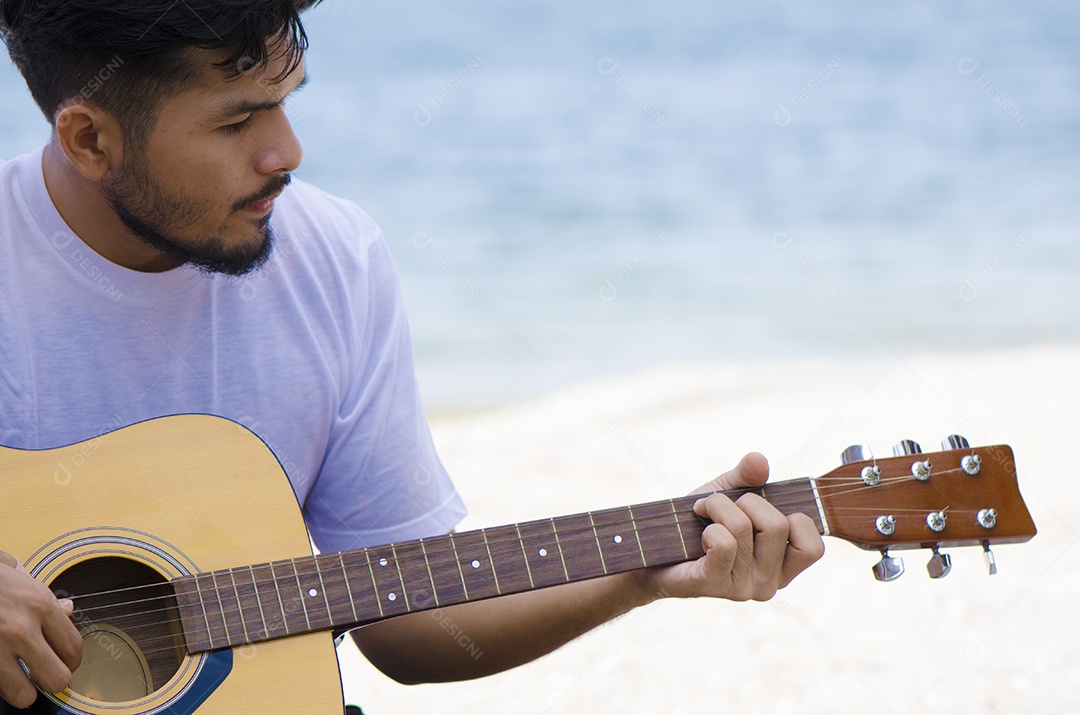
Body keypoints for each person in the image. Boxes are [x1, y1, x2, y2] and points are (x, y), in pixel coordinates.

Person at [0, 0, 824, 709]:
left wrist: (644, 570)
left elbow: (405, 624)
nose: (285, 151)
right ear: (90, 139)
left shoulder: (335, 259)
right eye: (236, 120)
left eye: (285, 103)